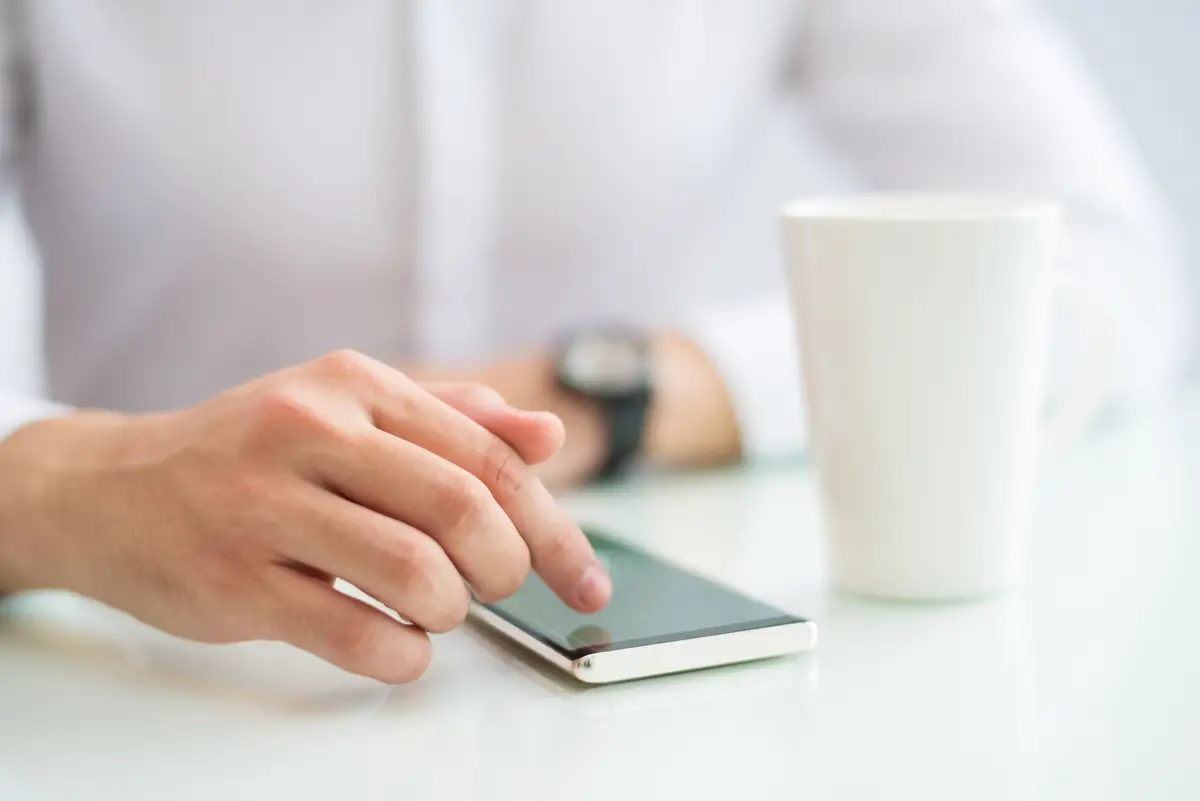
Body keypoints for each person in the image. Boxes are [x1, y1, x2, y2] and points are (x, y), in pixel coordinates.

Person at [0, 2, 1189, 682]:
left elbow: (1116, 264)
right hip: (137, 672)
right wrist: (70, 489)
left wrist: (615, 393)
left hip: (624, 680)